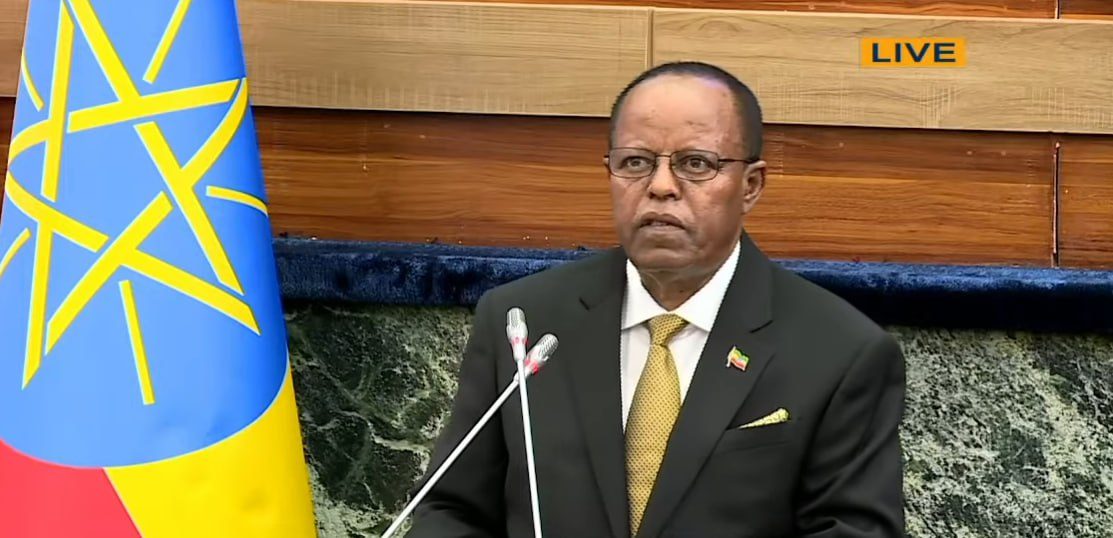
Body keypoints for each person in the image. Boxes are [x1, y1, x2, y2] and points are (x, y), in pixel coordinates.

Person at [405, 61, 906, 538]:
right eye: (635, 163)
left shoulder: (840, 353)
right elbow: (452, 509)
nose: (660, 187)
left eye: (696, 164)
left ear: (750, 186)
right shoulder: (524, 321)